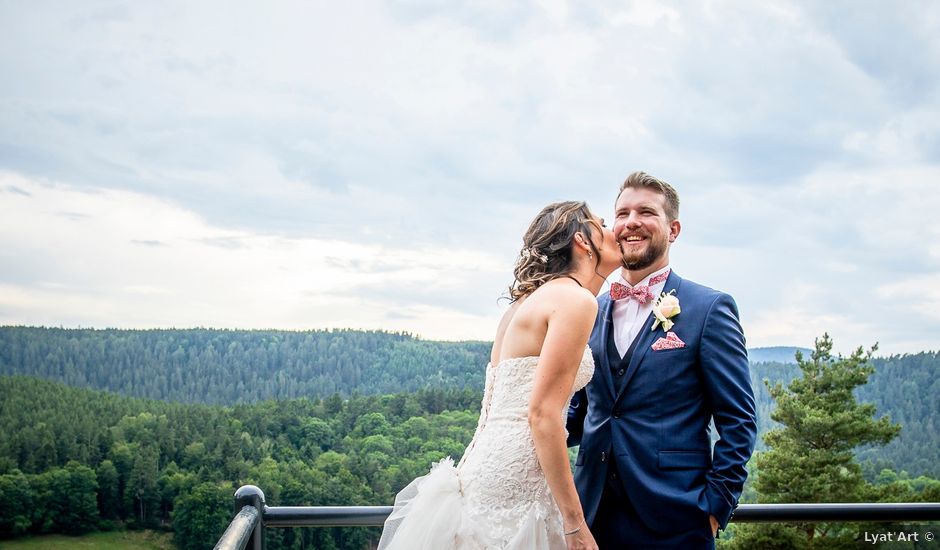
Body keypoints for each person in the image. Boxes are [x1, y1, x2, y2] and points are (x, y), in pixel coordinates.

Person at [378, 201, 622, 550]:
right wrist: (574, 522)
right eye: (603, 223)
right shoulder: (577, 301)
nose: (612, 230)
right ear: (583, 242)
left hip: (482, 471)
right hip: (518, 482)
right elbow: (542, 414)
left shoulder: (522, 305)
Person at [567, 172, 757, 549]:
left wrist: (715, 507)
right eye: (622, 213)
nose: (631, 221)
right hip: (590, 520)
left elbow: (739, 420)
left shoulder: (709, 309)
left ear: (674, 230)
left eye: (646, 212)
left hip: (677, 519)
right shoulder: (588, 309)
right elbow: (579, 412)